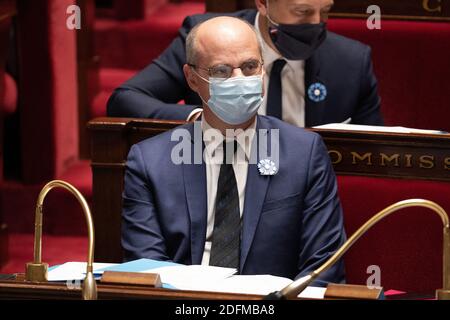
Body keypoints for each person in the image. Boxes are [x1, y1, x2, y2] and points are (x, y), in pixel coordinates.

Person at [121, 16, 346, 285]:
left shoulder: (304, 154)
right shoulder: (150, 161)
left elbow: (323, 267)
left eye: (250, 66)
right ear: (192, 78)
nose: (240, 80)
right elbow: (147, 270)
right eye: (221, 71)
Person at [107, 0, 383, 128]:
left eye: (324, 12)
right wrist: (197, 120)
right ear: (263, 3)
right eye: (302, 12)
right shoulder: (207, 38)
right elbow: (125, 99)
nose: (315, 25)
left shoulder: (351, 62)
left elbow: (372, 153)